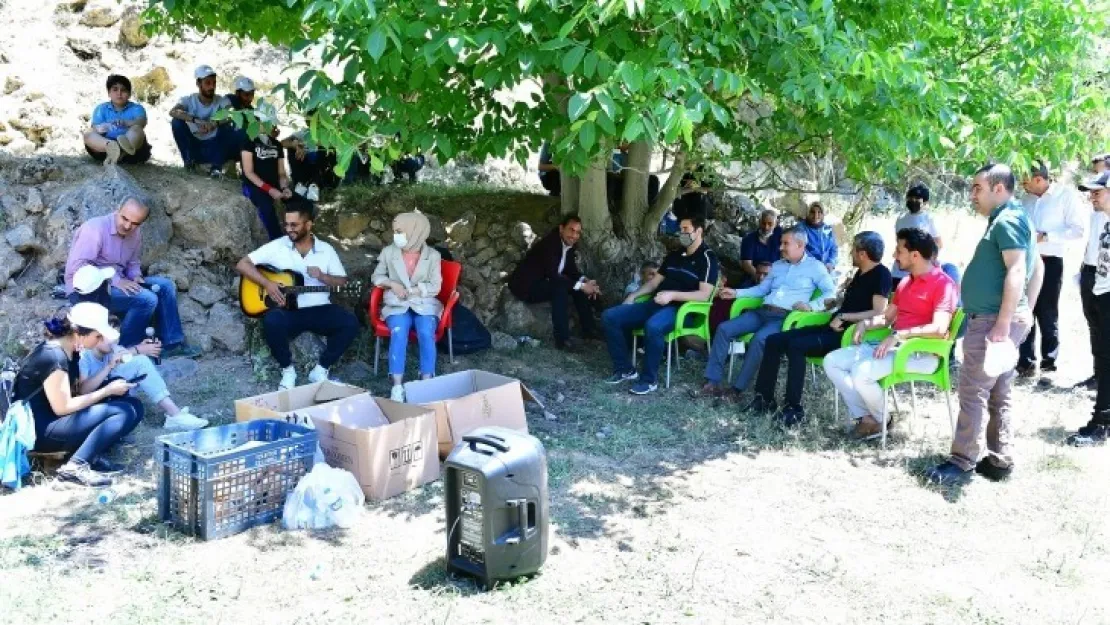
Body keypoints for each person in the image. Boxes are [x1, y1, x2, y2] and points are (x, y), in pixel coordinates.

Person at [926, 164, 1043, 483]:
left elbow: (1019, 270)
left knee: (973, 390)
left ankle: (962, 461)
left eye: (977, 188)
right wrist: (1025, 312)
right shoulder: (1013, 218)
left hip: (993, 321)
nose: (971, 195)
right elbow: (1039, 266)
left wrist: (1006, 322)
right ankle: (999, 459)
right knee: (998, 391)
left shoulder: (1008, 220)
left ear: (999, 189)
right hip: (1001, 319)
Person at [824, 228, 957, 441]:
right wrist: (866, 323)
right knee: (832, 361)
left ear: (915, 255)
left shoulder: (943, 284)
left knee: (861, 372)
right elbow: (886, 318)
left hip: (922, 353)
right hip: (894, 346)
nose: (894, 255)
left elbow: (940, 329)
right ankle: (868, 418)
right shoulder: (905, 282)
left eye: (899, 250)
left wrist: (900, 336)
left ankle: (882, 420)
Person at [749, 232, 893, 425]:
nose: (850, 252)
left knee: (796, 346)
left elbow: (878, 311)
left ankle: (793, 409)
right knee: (775, 340)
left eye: (853, 249)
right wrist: (836, 303)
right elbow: (855, 303)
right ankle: (764, 399)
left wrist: (844, 316)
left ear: (862, 254)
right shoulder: (860, 273)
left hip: (848, 334)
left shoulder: (881, 275)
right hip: (832, 326)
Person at [695, 226, 836, 400]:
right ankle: (712, 382)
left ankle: (737, 390)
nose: (780, 247)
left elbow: (830, 293)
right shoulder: (777, 265)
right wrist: (736, 292)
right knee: (724, 329)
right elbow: (762, 289)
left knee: (759, 339)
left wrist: (812, 305)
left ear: (800, 245)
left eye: (786, 243)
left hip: (784, 318)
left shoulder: (815, 267)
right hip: (762, 312)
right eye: (781, 243)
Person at [235, 199, 359, 391]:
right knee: (272, 321)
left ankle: (321, 369)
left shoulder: (326, 250)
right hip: (289, 311)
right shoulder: (277, 246)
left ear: (309, 225)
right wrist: (267, 283)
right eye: (286, 224)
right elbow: (243, 264)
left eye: (294, 225)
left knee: (350, 322)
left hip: (320, 309)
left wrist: (323, 276)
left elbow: (342, 282)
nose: (289, 229)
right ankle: (287, 370)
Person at [11, 303, 141, 487]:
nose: (99, 341)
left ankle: (89, 455)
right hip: (40, 430)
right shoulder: (53, 356)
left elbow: (80, 392)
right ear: (79, 332)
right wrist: (106, 391)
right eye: (97, 336)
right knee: (123, 411)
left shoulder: (70, 351)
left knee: (134, 406)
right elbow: (62, 407)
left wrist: (110, 380)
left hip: (55, 421)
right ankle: (74, 467)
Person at [64, 197, 202, 358]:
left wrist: (136, 276)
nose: (128, 226)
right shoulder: (95, 229)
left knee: (165, 286)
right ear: (117, 209)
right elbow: (78, 267)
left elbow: (133, 262)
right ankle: (127, 349)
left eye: (135, 223)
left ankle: (172, 345)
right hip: (88, 290)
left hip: (118, 283)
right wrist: (116, 280)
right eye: (125, 219)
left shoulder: (135, 234)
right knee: (147, 299)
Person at [602, 217, 719, 395]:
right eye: (680, 229)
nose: (682, 233)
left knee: (654, 326)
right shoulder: (674, 255)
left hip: (683, 310)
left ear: (699, 231)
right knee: (610, 316)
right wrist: (633, 295)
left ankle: (649, 380)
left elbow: (704, 295)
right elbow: (654, 283)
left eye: (686, 229)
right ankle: (624, 369)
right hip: (656, 303)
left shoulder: (707, 258)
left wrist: (672, 295)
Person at [1016, 160, 1087, 377]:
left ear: (1039, 179)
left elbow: (1078, 230)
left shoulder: (1064, 196)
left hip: (1050, 260)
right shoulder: (1024, 200)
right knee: (1024, 310)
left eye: (1026, 181)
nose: (1023, 186)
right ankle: (1025, 362)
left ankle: (1049, 363)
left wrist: (1046, 236)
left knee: (1047, 313)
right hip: (1025, 261)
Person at [78, 316, 208, 431]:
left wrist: (141, 349)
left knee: (140, 362)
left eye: (117, 337)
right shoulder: (85, 356)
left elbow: (125, 355)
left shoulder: (108, 350)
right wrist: (108, 367)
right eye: (110, 337)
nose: (114, 341)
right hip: (91, 403)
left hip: (107, 391)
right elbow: (83, 390)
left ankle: (174, 414)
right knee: (138, 363)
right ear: (97, 336)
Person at [371, 212, 444, 402]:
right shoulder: (389, 252)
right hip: (397, 303)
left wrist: (415, 290)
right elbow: (376, 277)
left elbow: (435, 287)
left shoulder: (433, 256)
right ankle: (396, 385)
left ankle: (426, 381)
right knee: (399, 330)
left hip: (424, 303)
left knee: (426, 332)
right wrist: (392, 284)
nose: (397, 236)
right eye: (395, 231)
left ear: (416, 231)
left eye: (400, 231)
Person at [508, 215, 602, 350]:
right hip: (527, 287)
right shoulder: (550, 244)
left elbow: (571, 271)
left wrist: (586, 282)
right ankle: (563, 341)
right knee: (560, 289)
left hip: (544, 282)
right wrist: (582, 286)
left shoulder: (568, 245)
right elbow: (554, 275)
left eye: (577, 232)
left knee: (578, 289)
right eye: (571, 230)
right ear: (561, 229)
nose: (574, 235)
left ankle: (589, 331)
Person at [1065, 171, 1110, 446]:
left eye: (1098, 191)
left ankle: (1102, 423)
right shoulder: (1103, 221)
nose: (1092, 196)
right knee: (1103, 358)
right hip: (1100, 292)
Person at [169, 64, 234, 177]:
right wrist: (196, 120)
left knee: (228, 125)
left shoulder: (221, 100)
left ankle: (216, 167)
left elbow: (232, 114)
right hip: (195, 145)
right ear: (198, 84)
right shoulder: (189, 100)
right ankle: (189, 163)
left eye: (214, 83)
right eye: (208, 83)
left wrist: (215, 123)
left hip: (214, 146)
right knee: (176, 122)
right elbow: (173, 112)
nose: (212, 86)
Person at [239, 102, 292, 240]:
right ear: (260, 121)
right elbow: (248, 172)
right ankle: (278, 242)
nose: (274, 126)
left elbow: (281, 173)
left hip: (274, 185)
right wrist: (269, 189)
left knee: (301, 203)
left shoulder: (277, 144)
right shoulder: (249, 141)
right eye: (270, 122)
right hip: (254, 186)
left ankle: (302, 239)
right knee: (266, 207)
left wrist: (285, 187)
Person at [1077, 170, 1109, 391]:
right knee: (1095, 328)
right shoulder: (1097, 213)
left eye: (1097, 192)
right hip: (1091, 273)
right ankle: (1098, 376)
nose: (1092, 197)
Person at [84, 74, 151, 166]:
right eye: (115, 89)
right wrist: (103, 127)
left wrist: (126, 122)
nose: (119, 93)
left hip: (132, 150)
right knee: (88, 133)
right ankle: (112, 148)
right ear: (109, 93)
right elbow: (95, 128)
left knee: (137, 129)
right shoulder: (101, 109)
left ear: (129, 94)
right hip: (105, 147)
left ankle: (121, 152)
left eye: (123, 90)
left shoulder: (137, 108)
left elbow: (142, 122)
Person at [739, 209, 782, 285]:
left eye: (770, 224)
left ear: (775, 224)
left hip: (775, 277)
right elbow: (746, 264)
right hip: (754, 276)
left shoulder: (780, 236)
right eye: (763, 223)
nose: (766, 227)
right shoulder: (749, 239)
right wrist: (760, 277)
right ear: (759, 222)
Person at [798, 201, 838, 272]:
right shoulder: (801, 228)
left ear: (823, 214)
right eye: (812, 212)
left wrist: (830, 262)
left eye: (819, 212)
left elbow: (834, 248)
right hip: (807, 267)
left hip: (826, 268)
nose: (816, 216)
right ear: (808, 213)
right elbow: (800, 249)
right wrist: (817, 265)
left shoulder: (827, 229)